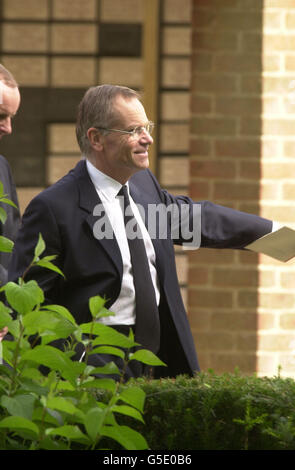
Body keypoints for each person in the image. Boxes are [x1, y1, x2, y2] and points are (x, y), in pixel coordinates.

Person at [8, 85, 273, 380]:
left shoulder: (145, 185)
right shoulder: (54, 208)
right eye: (133, 130)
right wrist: (74, 364)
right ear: (96, 138)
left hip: (159, 363)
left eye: (147, 127)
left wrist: (281, 237)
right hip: (90, 371)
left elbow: (199, 220)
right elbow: (27, 306)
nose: (148, 138)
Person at [0, 65, 21, 285]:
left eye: (11, 117)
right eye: (1, 116)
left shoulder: (2, 166)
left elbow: (14, 238)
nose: (8, 128)